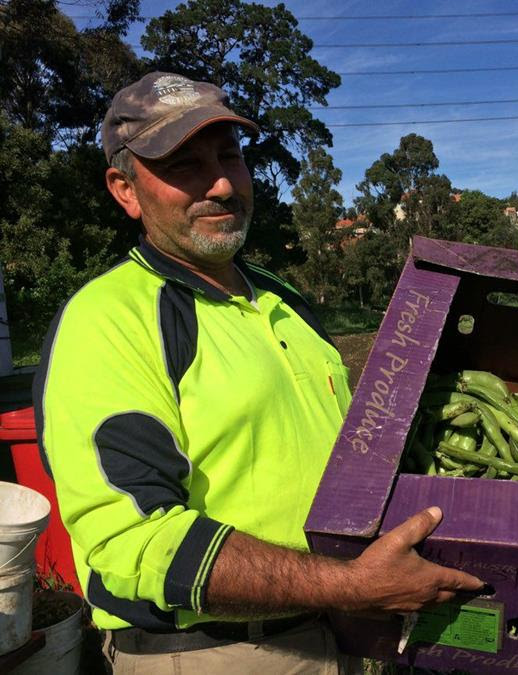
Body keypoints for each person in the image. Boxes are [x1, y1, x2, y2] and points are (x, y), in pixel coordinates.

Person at [33, 72, 483, 673]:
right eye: (185, 165)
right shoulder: (108, 319)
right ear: (126, 189)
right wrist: (351, 585)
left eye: (229, 156)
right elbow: (131, 540)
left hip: (342, 629)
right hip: (216, 651)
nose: (221, 183)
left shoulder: (282, 298)